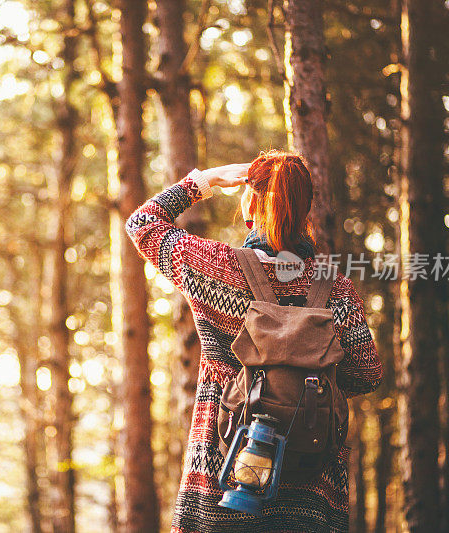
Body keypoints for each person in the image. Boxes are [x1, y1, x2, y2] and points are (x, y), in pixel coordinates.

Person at [124, 149, 382, 532]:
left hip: (223, 475)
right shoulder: (336, 289)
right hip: (311, 489)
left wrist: (205, 180)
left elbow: (142, 223)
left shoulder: (215, 267)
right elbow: (367, 374)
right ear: (305, 211)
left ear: (251, 203)